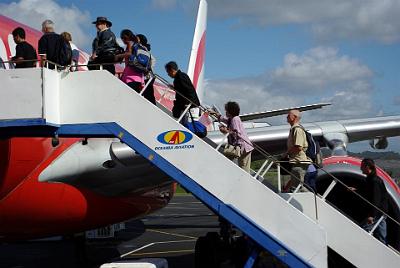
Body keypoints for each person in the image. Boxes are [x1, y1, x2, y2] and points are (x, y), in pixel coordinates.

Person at [217, 101, 254, 173]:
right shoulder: (232, 119)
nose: (225, 112)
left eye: (226, 110)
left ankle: (244, 182)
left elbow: (237, 133)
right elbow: (224, 119)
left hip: (243, 147)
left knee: (244, 168)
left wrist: (225, 131)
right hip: (241, 147)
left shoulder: (235, 119)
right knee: (240, 166)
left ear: (230, 111)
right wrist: (217, 115)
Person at [359, 158, 389, 244]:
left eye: (362, 166)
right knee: (381, 235)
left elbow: (376, 199)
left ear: (367, 167)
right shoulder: (371, 178)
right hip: (380, 212)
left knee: (363, 230)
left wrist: (372, 215)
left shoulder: (374, 181)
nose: (360, 168)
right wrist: (357, 189)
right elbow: (368, 192)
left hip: (377, 212)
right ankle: (384, 251)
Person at [283, 109, 311, 191]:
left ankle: (314, 200)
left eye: (289, 115)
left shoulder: (297, 129)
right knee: (297, 186)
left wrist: (286, 154)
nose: (287, 117)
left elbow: (298, 147)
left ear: (294, 117)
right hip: (297, 161)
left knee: (297, 187)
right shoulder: (294, 129)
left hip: (299, 162)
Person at [137, 34, 156, 105]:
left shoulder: (141, 49)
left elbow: (153, 59)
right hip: (149, 75)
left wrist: (148, 67)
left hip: (146, 75)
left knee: (148, 95)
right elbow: (153, 59)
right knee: (149, 95)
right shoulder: (145, 49)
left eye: (137, 39)